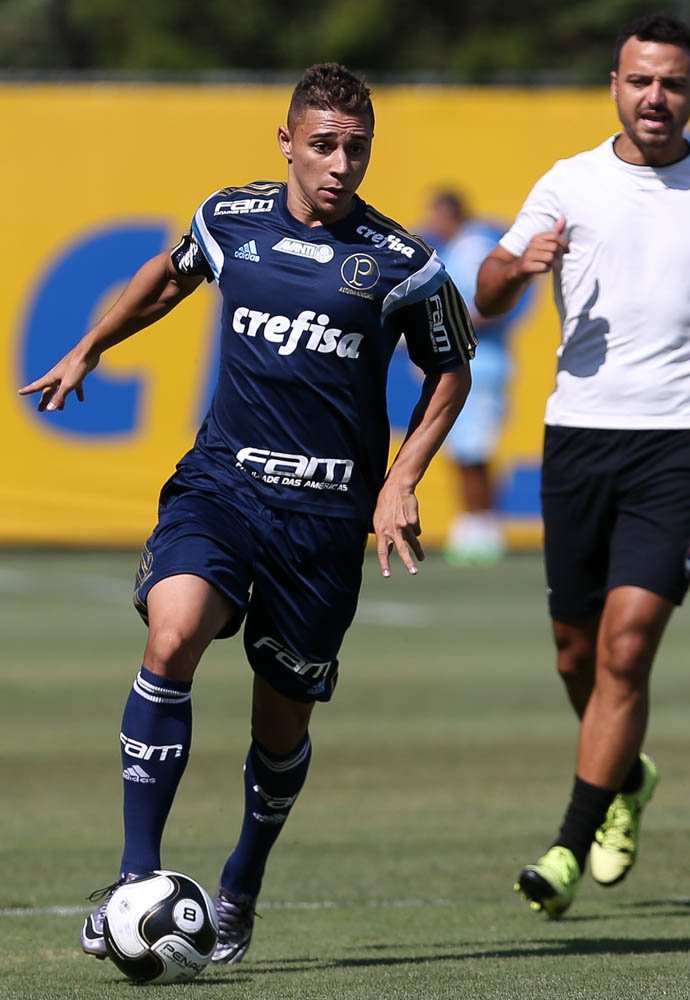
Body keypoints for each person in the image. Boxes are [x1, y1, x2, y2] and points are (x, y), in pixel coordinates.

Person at [19, 63, 475, 963]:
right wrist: (89, 346)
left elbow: (450, 370)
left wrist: (400, 479)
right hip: (222, 486)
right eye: (323, 146)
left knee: (282, 724)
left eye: (356, 148)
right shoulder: (229, 219)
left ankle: (242, 881)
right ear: (285, 142)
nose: (341, 164)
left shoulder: (402, 264)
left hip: (323, 521)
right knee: (171, 635)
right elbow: (166, 277)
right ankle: (135, 880)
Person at [476, 13, 690, 919]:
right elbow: (488, 291)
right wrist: (517, 267)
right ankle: (627, 774)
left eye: (671, 83)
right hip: (578, 434)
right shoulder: (567, 183)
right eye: (639, 81)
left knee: (626, 646)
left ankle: (567, 847)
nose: (654, 97)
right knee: (574, 653)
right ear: (614, 86)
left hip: (688, 437)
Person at [421, 190, 523, 565]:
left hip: (479, 363)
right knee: (462, 447)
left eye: (436, 215)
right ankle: (472, 523)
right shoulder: (455, 249)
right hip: (461, 364)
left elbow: (488, 304)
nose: (432, 224)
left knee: (476, 449)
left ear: (451, 214)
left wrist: (451, 329)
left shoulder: (474, 247)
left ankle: (484, 527)